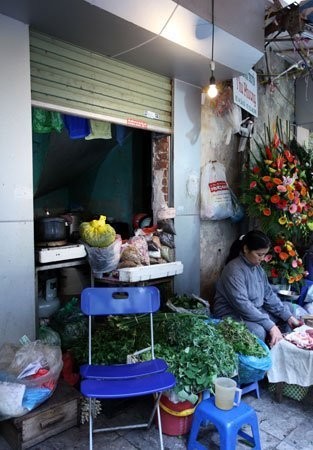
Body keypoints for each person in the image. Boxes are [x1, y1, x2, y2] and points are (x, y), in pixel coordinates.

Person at [212, 230, 301, 347]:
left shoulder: (258, 269)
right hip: (232, 314)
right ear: (246, 249)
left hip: (254, 311)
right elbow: (242, 305)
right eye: (259, 255)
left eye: (264, 254)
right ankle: (269, 351)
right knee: (258, 331)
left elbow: (268, 295)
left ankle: (282, 347)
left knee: (288, 310)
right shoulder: (233, 270)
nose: (262, 259)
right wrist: (270, 325)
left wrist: (288, 316)